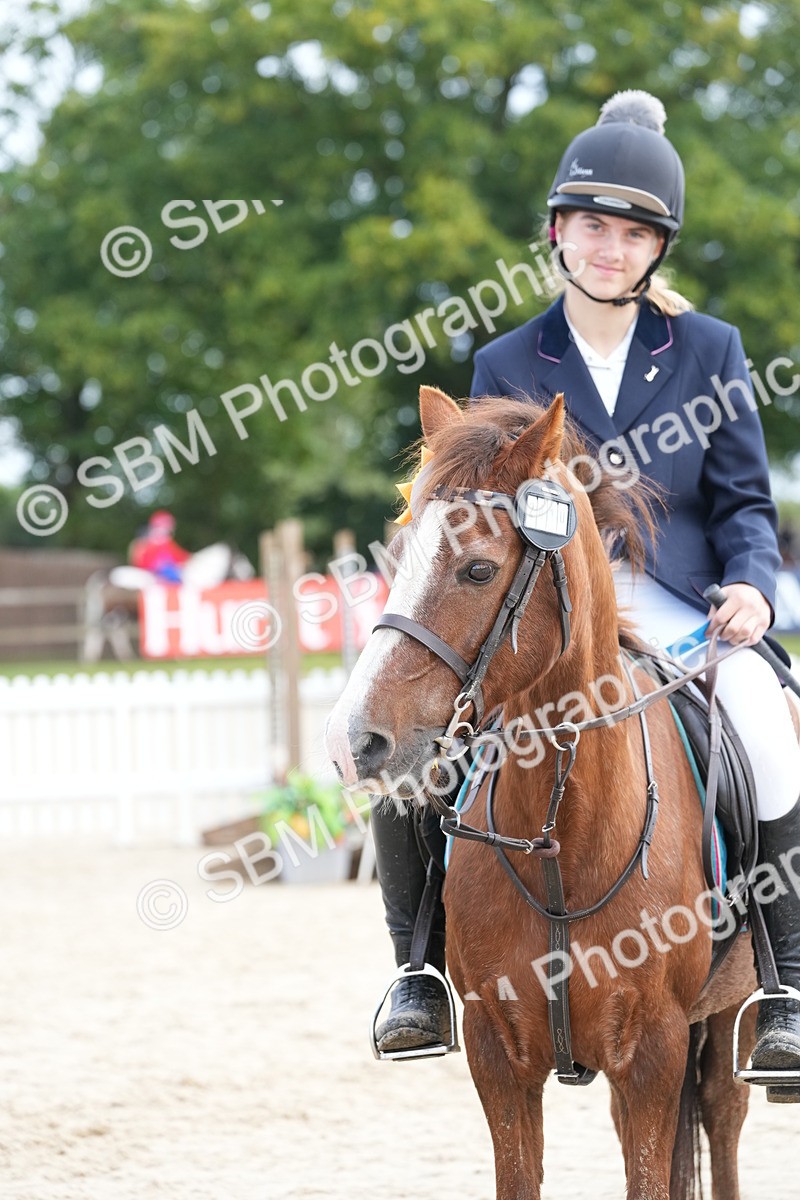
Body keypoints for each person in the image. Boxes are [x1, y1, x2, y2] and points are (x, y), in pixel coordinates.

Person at [372, 90, 800, 1090]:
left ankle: (782, 987)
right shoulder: (505, 360)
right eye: (591, 227)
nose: (608, 248)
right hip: (542, 610)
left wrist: (751, 587)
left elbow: (743, 501)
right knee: (415, 749)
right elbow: (481, 509)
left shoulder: (710, 351)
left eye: (632, 233)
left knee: (766, 735)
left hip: (683, 606)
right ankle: (418, 974)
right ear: (556, 234)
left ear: (657, 249)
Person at [130, 510, 191, 583]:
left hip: (165, 569)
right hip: (158, 570)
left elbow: (181, 556)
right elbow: (141, 560)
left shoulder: (167, 542)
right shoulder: (148, 543)